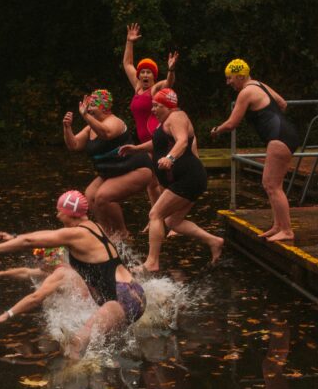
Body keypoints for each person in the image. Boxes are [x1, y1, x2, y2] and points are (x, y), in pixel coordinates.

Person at [0, 190, 146, 359]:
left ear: (70, 213)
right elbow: (42, 238)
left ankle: (69, 383)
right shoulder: (94, 227)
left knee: (76, 344)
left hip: (121, 300)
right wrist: (12, 237)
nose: (57, 215)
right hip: (135, 293)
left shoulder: (73, 237)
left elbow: (31, 240)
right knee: (104, 347)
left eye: (59, 211)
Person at [119, 89, 225, 272]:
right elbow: (157, 144)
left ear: (168, 105)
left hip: (188, 178)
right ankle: (214, 241)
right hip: (187, 179)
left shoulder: (176, 118)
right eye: (152, 105)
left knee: (155, 215)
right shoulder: (165, 122)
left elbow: (182, 141)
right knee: (173, 222)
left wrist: (170, 158)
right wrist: (136, 149)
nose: (153, 109)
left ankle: (152, 262)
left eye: (156, 106)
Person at [210, 59, 301, 242]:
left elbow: (232, 123)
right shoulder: (259, 85)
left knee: (271, 185)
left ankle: (287, 230)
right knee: (273, 185)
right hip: (284, 133)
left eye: (230, 78)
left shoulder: (246, 92)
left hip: (279, 137)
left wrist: (217, 130)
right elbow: (282, 104)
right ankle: (278, 226)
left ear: (241, 76)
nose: (228, 83)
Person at [63, 89, 153, 239]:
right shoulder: (91, 127)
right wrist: (67, 128)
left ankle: (122, 234)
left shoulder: (114, 122)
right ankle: (107, 234)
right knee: (90, 196)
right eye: (88, 106)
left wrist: (85, 116)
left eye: (92, 106)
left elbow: (106, 134)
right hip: (113, 172)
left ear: (104, 107)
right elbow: (74, 145)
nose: (88, 108)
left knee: (103, 196)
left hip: (137, 168)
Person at [123, 24, 177, 207]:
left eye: (149, 72)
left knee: (161, 180)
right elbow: (127, 64)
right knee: (151, 182)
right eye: (143, 72)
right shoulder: (137, 88)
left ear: (153, 76)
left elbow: (168, 83)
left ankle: (165, 216)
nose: (145, 74)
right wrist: (129, 42)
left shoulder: (155, 89)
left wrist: (170, 70)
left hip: (156, 138)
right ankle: (155, 216)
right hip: (143, 141)